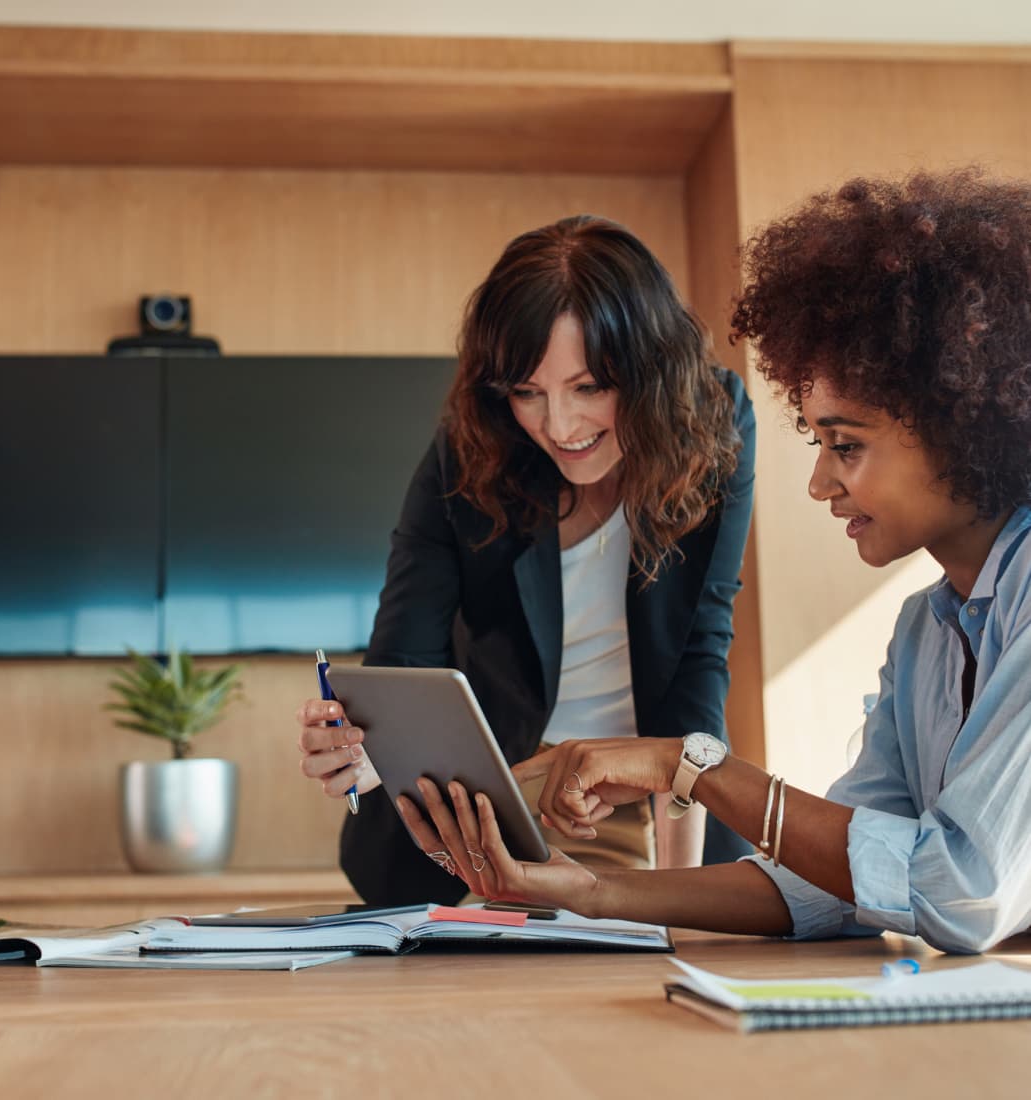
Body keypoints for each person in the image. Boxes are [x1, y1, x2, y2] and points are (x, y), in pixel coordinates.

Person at [397, 168, 1031, 954]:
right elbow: (837, 884)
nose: (819, 480)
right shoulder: (922, 635)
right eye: (818, 443)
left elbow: (958, 890)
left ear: (964, 425)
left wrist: (685, 765)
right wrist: (593, 892)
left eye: (848, 446)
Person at [297, 214, 757, 905]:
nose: (559, 427)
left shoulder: (712, 422)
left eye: (590, 387)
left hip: (653, 806)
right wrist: (361, 750)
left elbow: (699, 650)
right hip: (483, 816)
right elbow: (405, 661)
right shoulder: (470, 447)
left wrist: (682, 893)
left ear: (651, 371)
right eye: (527, 392)